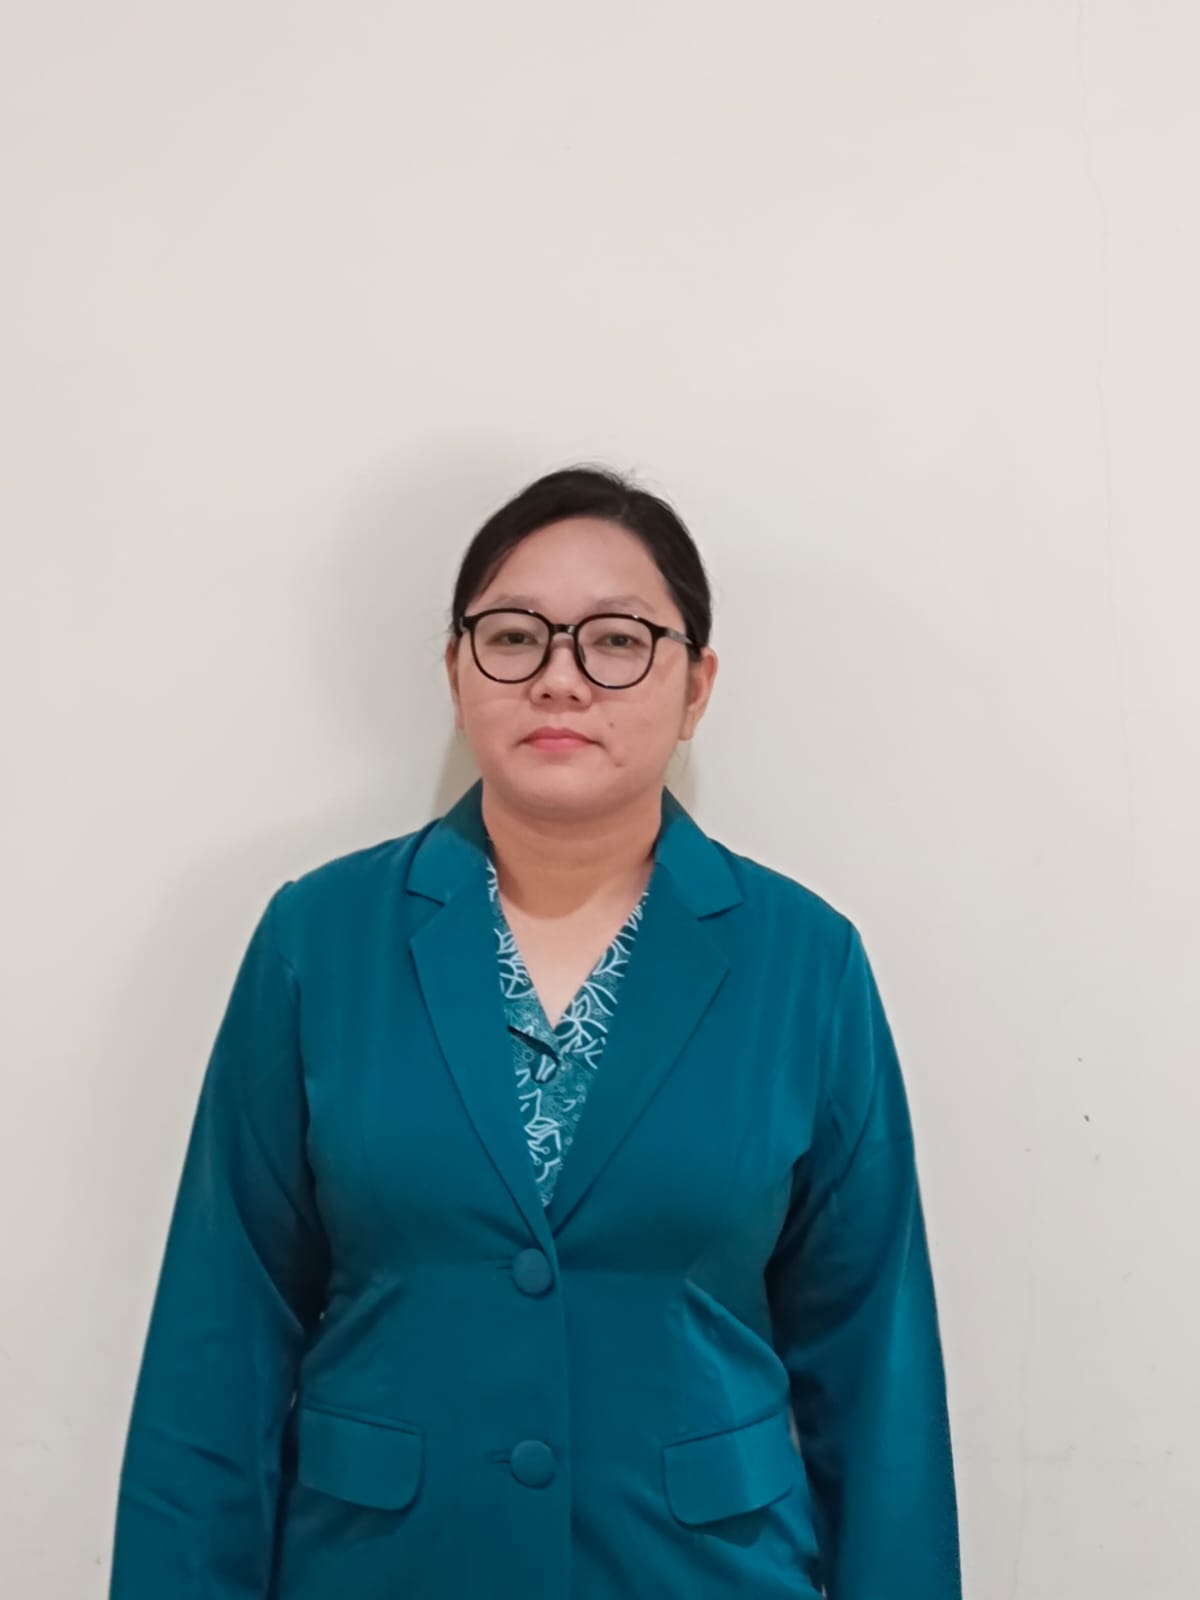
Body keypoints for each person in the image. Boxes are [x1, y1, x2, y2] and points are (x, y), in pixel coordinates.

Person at [110, 465, 961, 1599]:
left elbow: (874, 1364)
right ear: (457, 670)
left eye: (617, 642)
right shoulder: (320, 940)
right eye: (514, 637)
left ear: (696, 686)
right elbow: (220, 1341)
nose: (561, 678)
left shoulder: (805, 962)